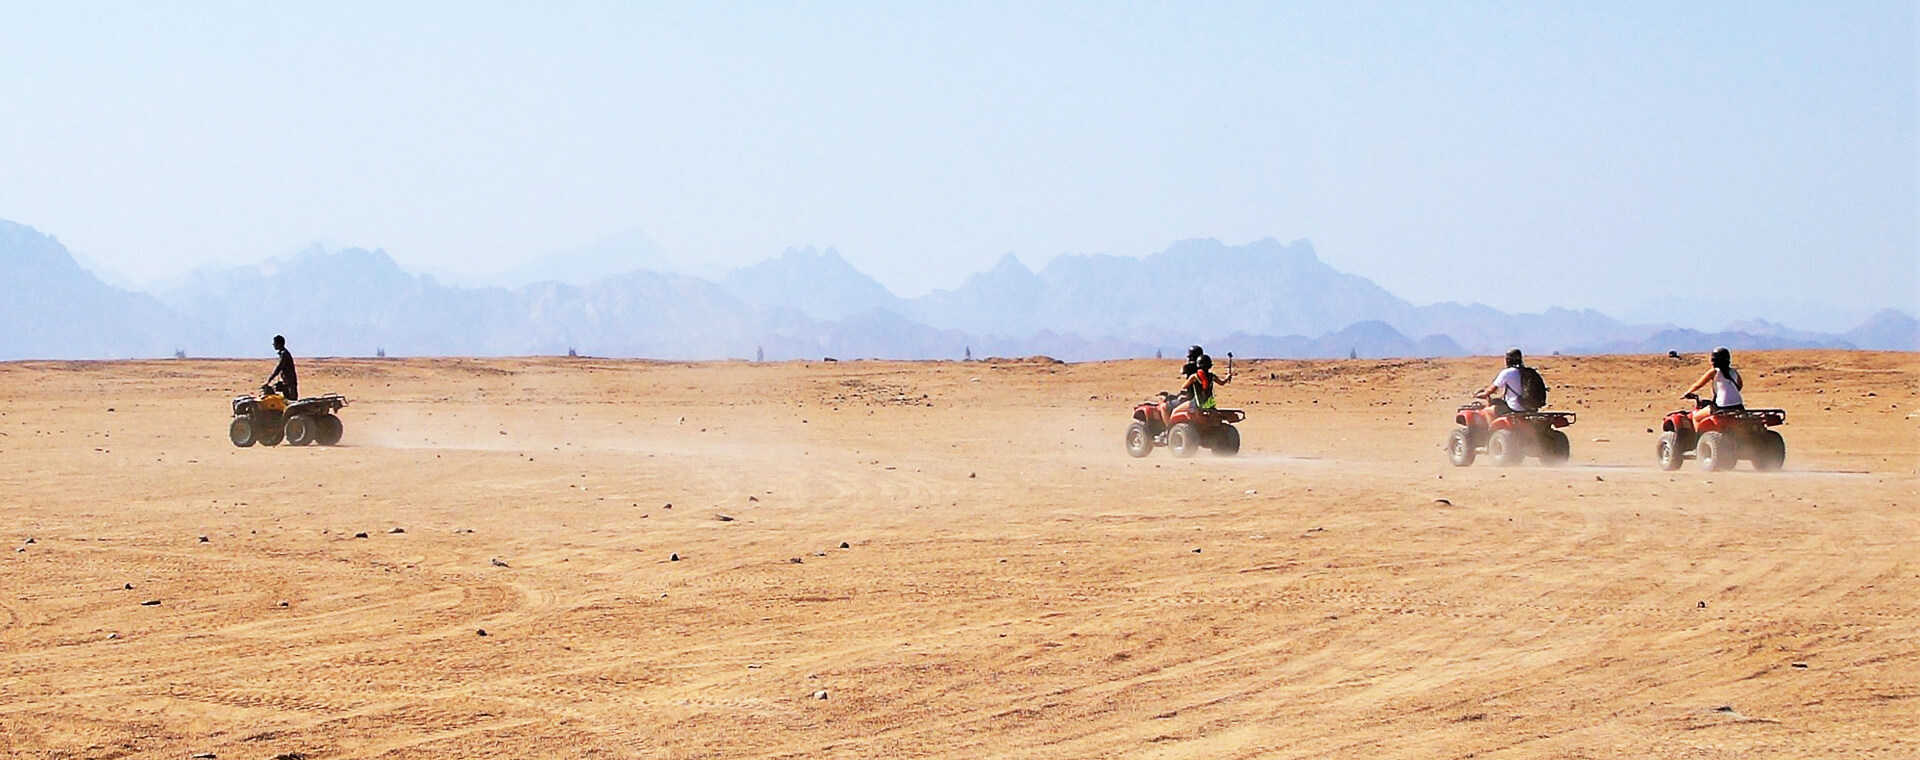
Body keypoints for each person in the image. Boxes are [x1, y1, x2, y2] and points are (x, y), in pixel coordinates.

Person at [1682, 346, 1744, 421]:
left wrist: (1688, 393)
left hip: (1722, 406)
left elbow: (1698, 385)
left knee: (1696, 418)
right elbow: (1739, 386)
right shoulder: (1734, 371)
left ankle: (1698, 433)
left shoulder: (1714, 372)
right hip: (1738, 405)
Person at [1475, 348, 1536, 416]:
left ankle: (1490, 427)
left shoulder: (1507, 373)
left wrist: (1483, 394)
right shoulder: (1529, 372)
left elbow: (1492, 389)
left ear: (1507, 360)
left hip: (1514, 407)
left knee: (1488, 410)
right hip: (1530, 407)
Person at [266, 334, 298, 401]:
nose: (273, 344)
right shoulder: (283, 353)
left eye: (274, 343)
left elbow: (278, 368)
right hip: (286, 383)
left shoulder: (284, 354)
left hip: (289, 383)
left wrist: (269, 380)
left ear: (278, 344)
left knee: (291, 402)